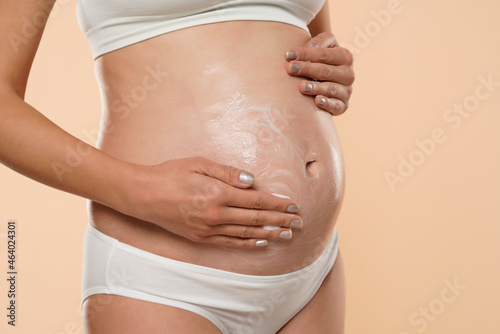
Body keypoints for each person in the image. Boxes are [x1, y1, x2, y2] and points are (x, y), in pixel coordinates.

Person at [1, 0, 354, 333]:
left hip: (313, 276)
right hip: (163, 280)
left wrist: (331, 66)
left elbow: (312, 38)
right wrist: (140, 189)